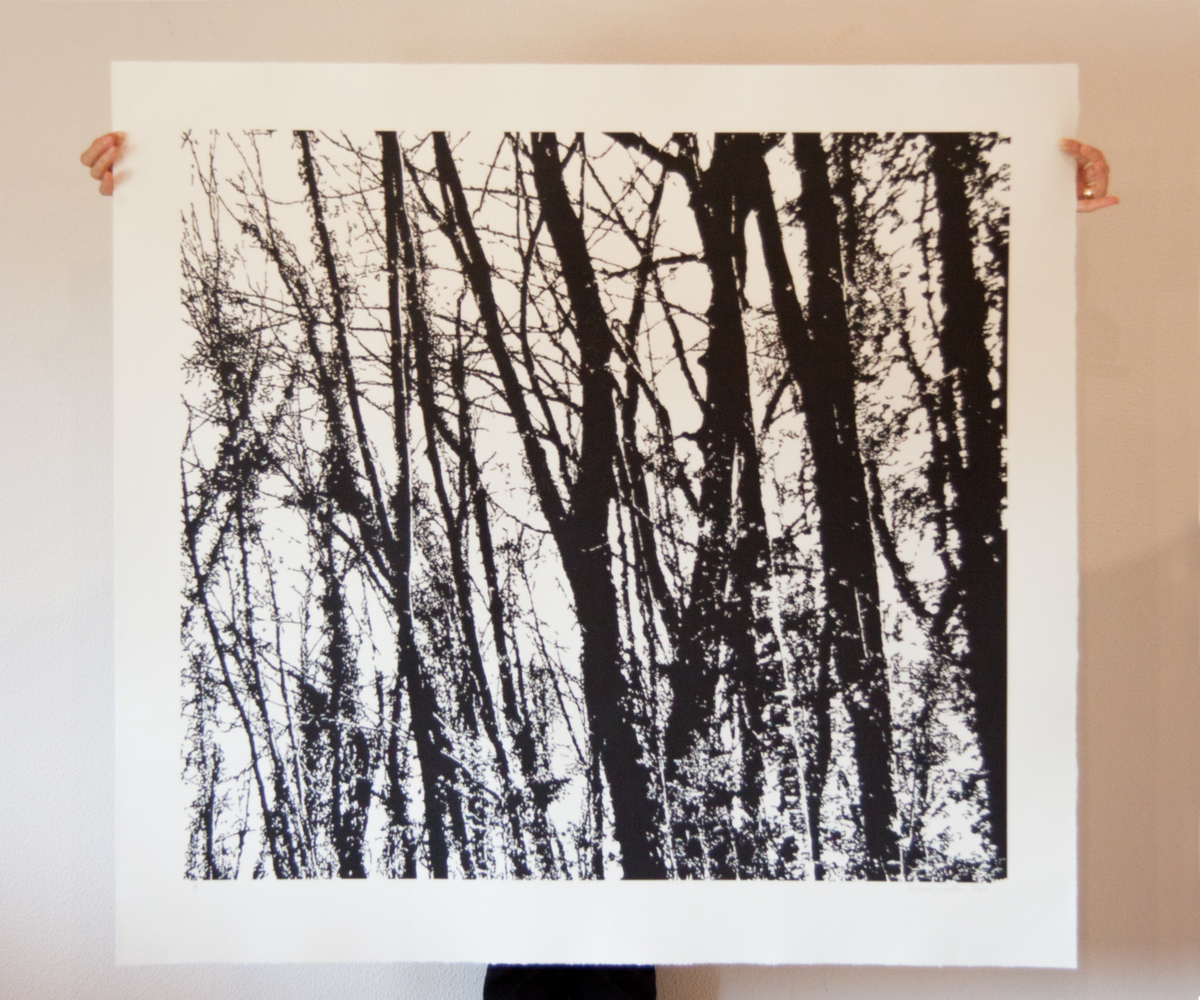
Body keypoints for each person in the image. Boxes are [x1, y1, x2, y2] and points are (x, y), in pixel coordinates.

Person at [80, 129, 1113, 1000]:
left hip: (611, 895)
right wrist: (152, 184)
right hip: (547, 902)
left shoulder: (625, 615)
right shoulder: (515, 593)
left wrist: (1032, 187)